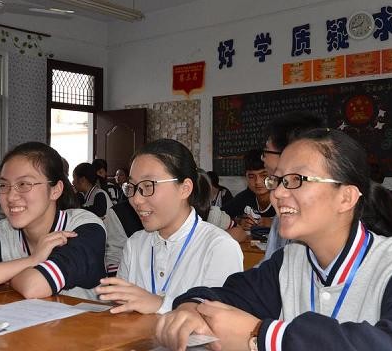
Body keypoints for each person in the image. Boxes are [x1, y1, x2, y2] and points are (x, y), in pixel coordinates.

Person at [155, 129, 392, 351]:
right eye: (278, 180)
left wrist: (262, 335)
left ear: (346, 197)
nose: (279, 193)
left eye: (297, 180)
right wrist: (192, 307)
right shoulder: (290, 261)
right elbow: (224, 294)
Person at [0, 142, 107, 299]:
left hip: (86, 323)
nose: (10, 196)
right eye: (3, 185)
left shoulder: (83, 226)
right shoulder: (4, 232)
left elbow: (35, 286)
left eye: (24, 184)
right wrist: (32, 261)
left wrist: (7, 276)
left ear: (55, 190)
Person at [95, 139, 243, 314]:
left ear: (185, 188)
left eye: (148, 186)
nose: (136, 200)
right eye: (132, 187)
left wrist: (160, 304)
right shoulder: (135, 244)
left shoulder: (219, 247)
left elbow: (219, 320)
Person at [260, 111, 324, 261]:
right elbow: (269, 266)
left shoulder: (316, 214)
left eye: (266, 152)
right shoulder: (283, 210)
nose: (263, 159)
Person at [221, 149, 275, 230]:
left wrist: (275, 223)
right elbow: (218, 215)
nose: (257, 182)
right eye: (251, 176)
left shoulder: (283, 197)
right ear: (245, 177)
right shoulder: (245, 197)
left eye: (264, 175)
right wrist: (237, 222)